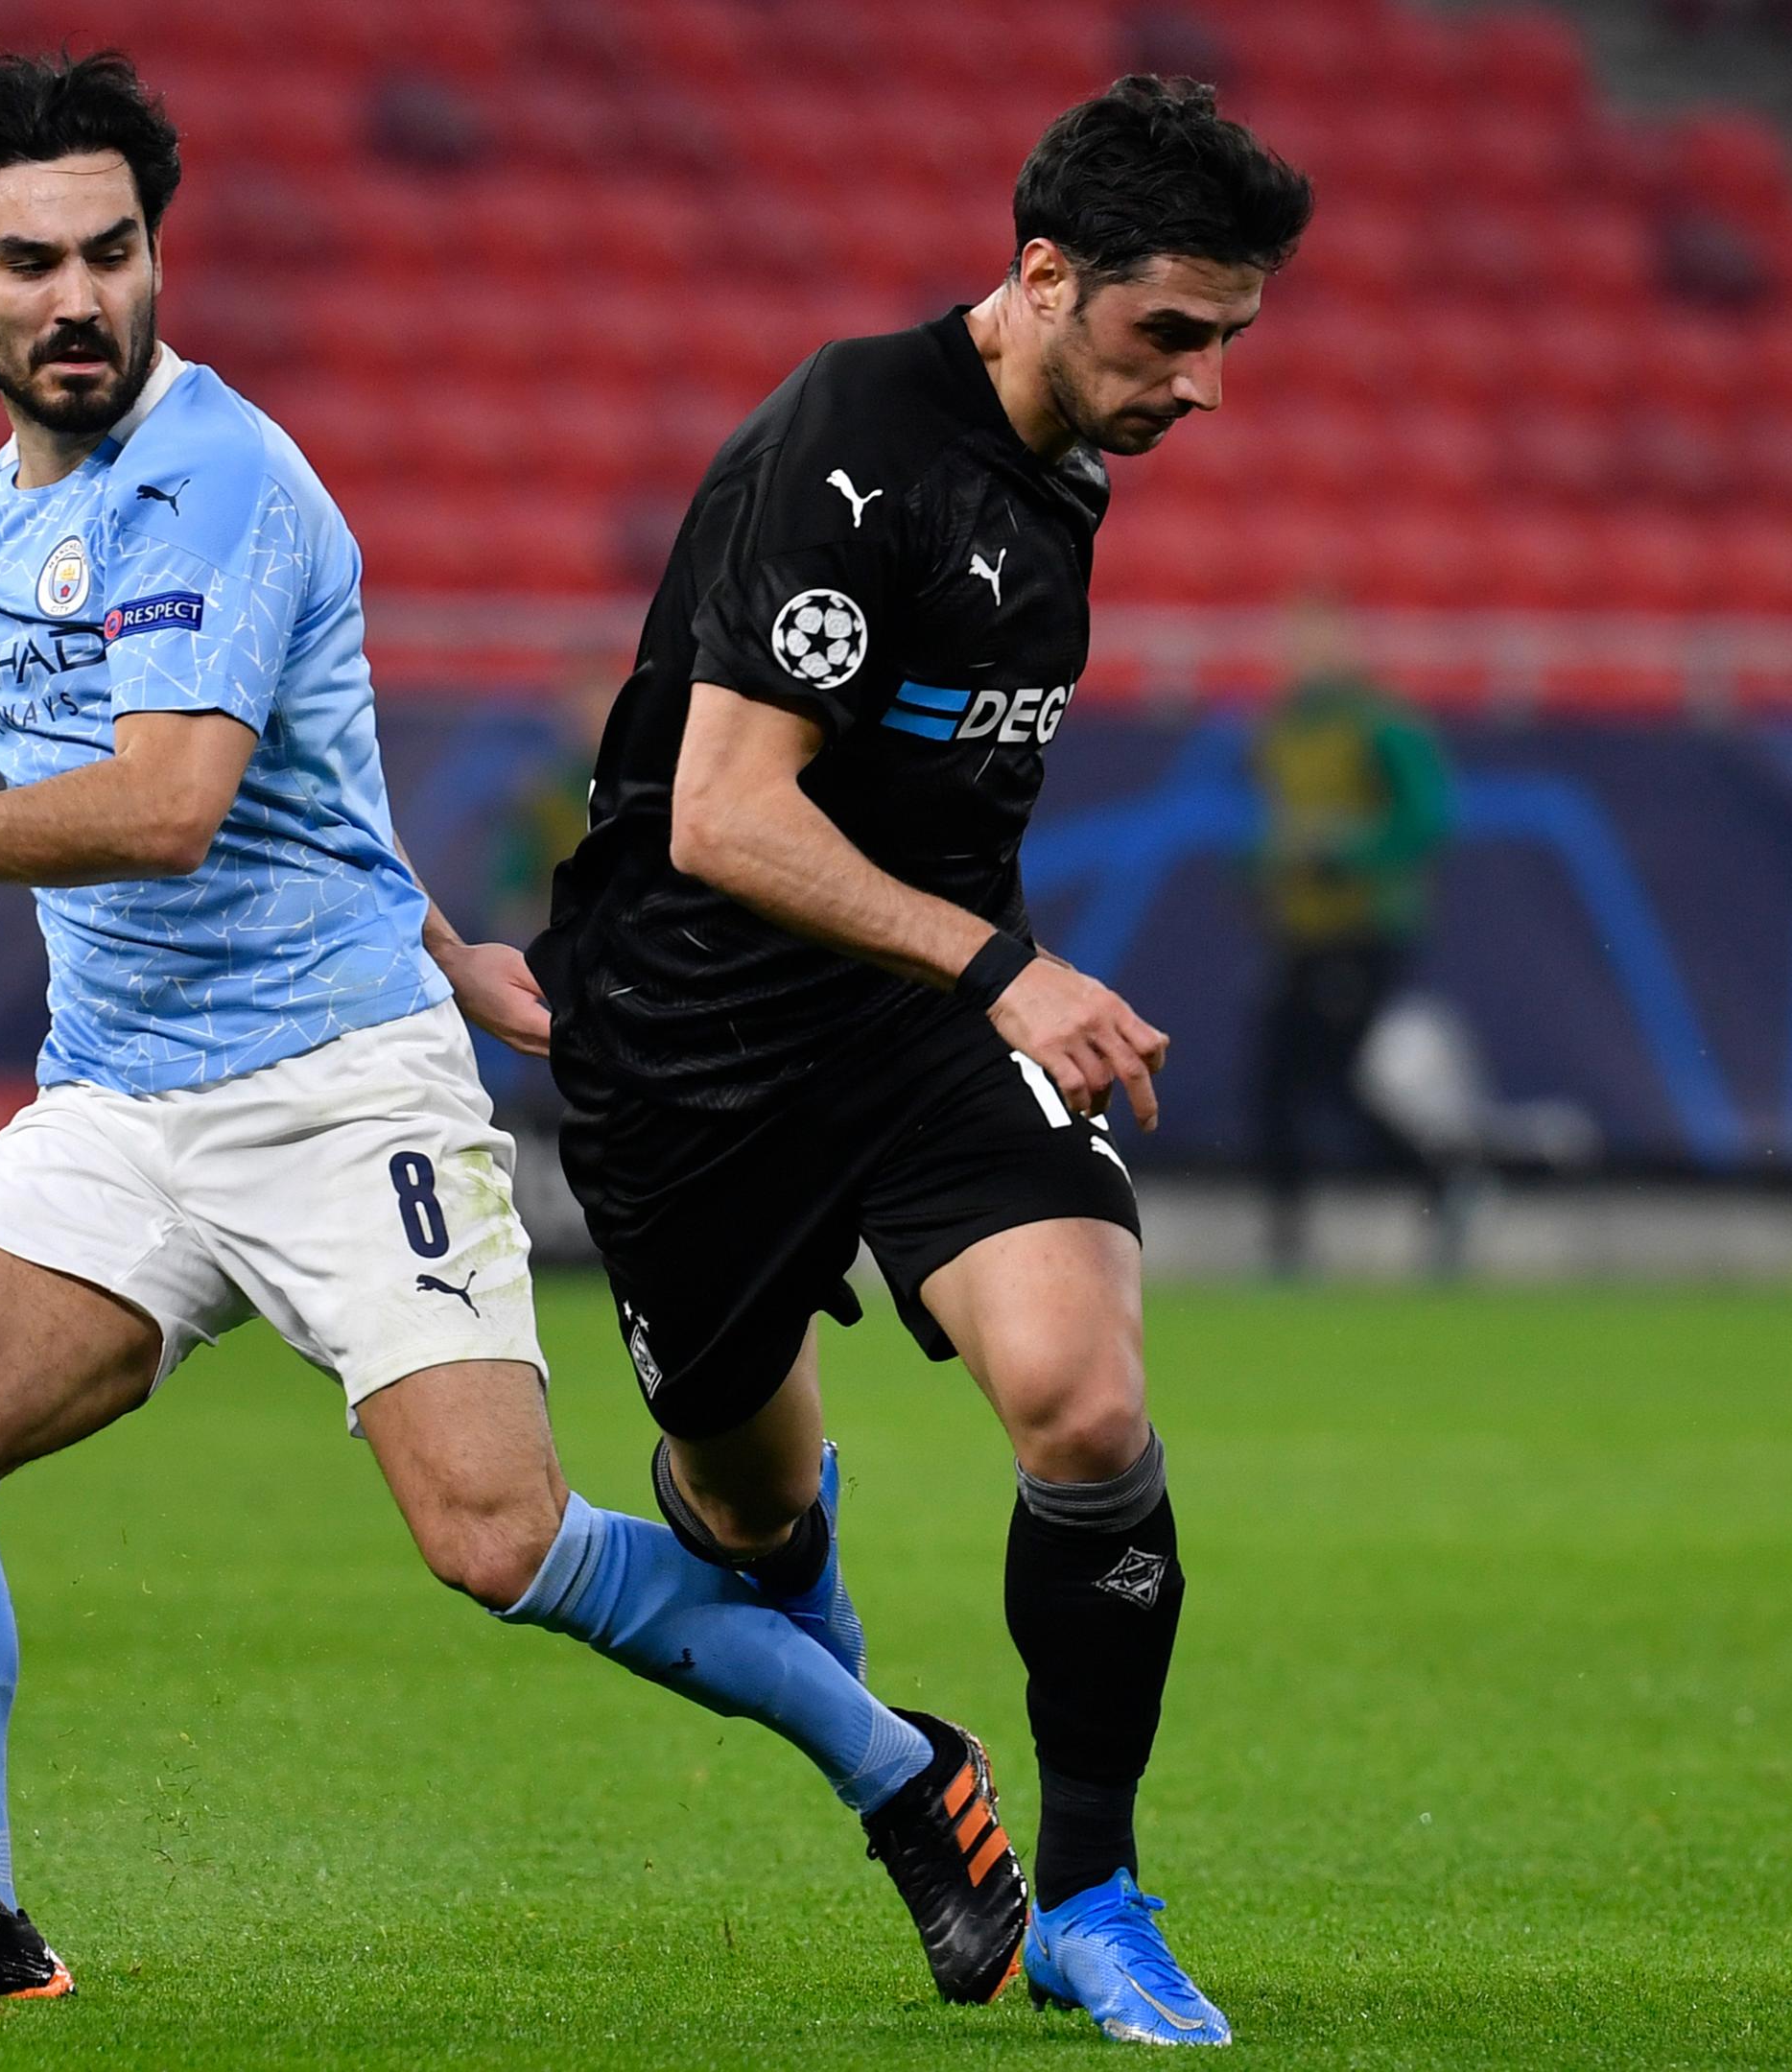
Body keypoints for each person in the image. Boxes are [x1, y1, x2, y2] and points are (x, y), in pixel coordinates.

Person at [0, 51, 1022, 2009]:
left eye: (112, 252)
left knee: (497, 1541)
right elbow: (305, 778)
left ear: (155, 253)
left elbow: (168, 807)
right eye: (30, 262)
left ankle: (900, 1769)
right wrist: (449, 937)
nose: (79, 298)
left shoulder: (219, 479)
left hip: (332, 1091)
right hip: (119, 1096)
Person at [527, 78, 1312, 2047]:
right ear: (1042, 278)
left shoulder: (1070, 455)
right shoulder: (852, 447)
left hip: (920, 1018)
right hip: (694, 1040)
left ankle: (1093, 1901)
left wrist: (979, 979)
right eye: (1171, 333)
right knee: (745, 1520)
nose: (1205, 385)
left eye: (1230, 338)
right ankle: (857, 1696)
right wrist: (1006, 967)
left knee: (1086, 1408)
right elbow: (725, 815)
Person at [1246, 597, 1457, 1276]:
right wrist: (1262, 867)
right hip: (1301, 930)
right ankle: (1286, 1241)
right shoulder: (1281, 728)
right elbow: (1276, 821)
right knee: (1274, 1083)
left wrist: (1349, 853)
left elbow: (1427, 817)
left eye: (1321, 640)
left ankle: (1439, 1180)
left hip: (1362, 929)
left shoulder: (1382, 725)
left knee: (1332, 1079)